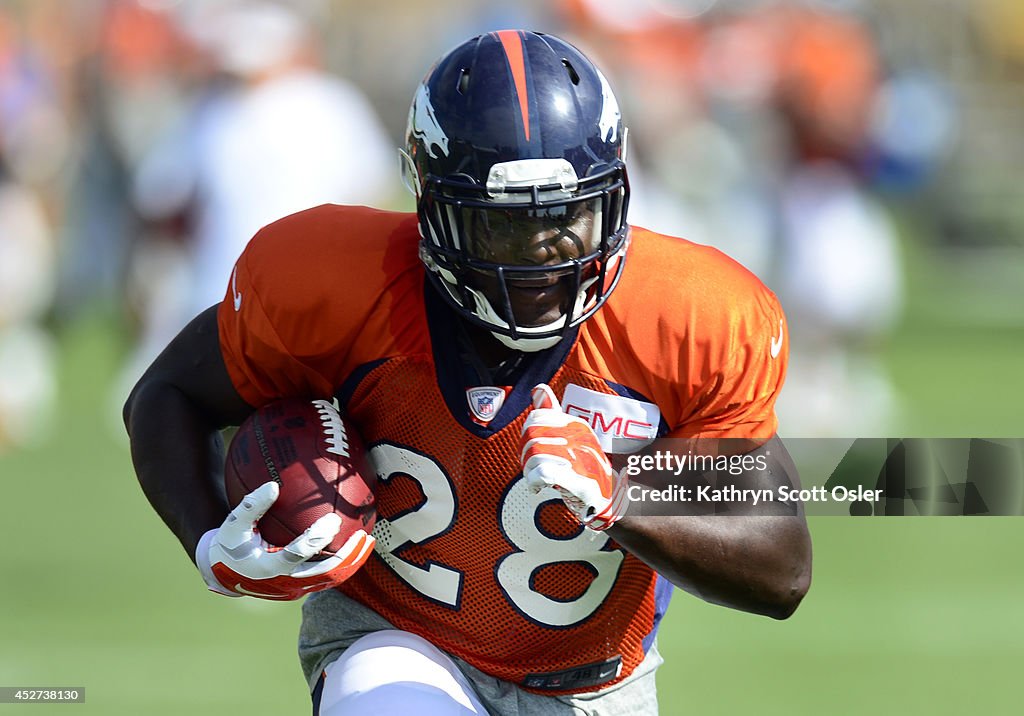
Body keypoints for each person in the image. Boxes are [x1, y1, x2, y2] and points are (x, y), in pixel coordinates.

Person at [124, 30, 812, 715]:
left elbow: (781, 568)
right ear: (428, 203)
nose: (541, 253)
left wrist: (618, 499)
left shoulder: (688, 318)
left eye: (567, 216)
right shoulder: (330, 284)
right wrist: (208, 539)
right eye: (501, 225)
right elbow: (167, 392)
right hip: (393, 641)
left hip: (594, 686)